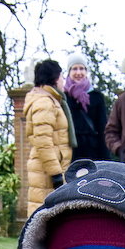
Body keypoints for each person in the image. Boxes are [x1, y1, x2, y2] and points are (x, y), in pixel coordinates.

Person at [23, 59, 73, 216]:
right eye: (61, 76)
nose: (63, 80)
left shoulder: (49, 100)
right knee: (42, 218)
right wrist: (56, 174)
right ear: (54, 78)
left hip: (49, 170)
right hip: (47, 173)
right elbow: (43, 140)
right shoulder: (44, 102)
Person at [63, 52, 110, 162]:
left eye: (82, 68)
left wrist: (105, 160)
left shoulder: (96, 96)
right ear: (69, 72)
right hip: (70, 152)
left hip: (93, 152)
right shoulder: (63, 97)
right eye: (74, 69)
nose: (78, 72)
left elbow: (102, 127)